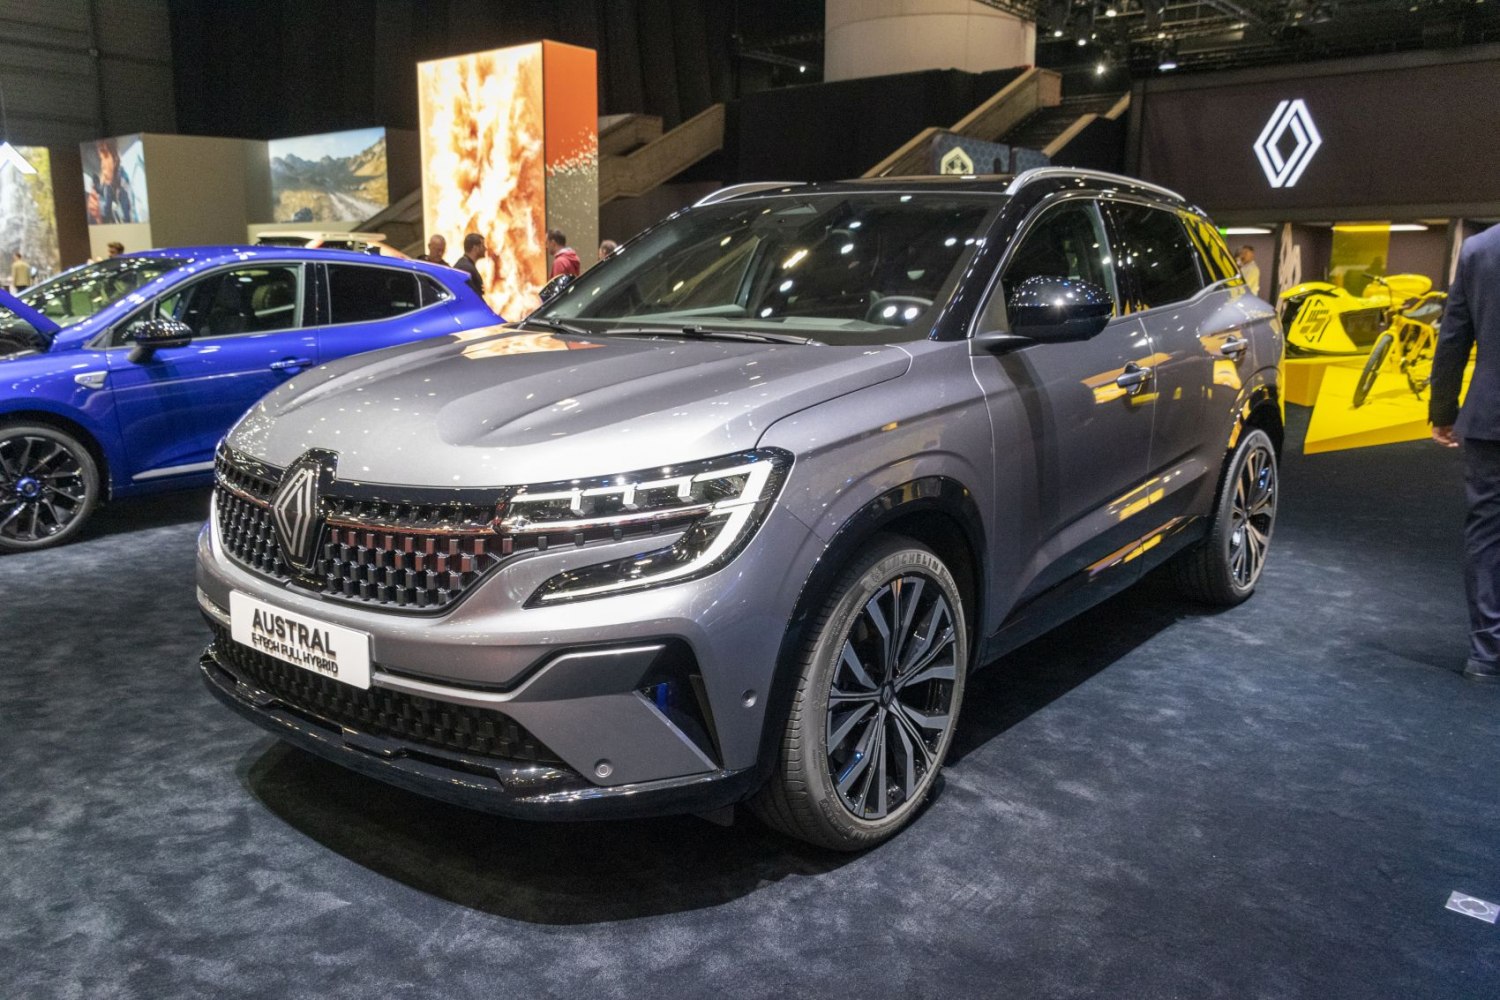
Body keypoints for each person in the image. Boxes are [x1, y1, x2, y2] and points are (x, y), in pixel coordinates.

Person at [1431, 225, 1500, 682]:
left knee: (1487, 532)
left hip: (1488, 417)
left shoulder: (1479, 249)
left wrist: (1443, 410)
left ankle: (1486, 653)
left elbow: (1453, 335)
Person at [86, 139, 138, 224]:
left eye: (106, 156)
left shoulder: (124, 187)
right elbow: (106, 214)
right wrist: (97, 216)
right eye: (101, 159)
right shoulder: (106, 186)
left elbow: (129, 223)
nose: (102, 165)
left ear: (115, 160)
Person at [455, 233, 486, 297]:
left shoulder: (466, 265)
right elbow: (471, 296)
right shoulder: (465, 268)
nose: (485, 248)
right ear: (475, 248)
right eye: (482, 246)